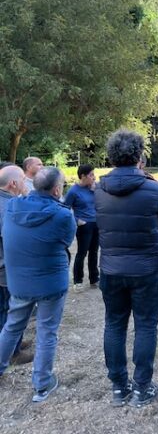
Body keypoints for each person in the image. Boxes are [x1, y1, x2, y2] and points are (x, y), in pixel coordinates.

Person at [95, 129, 158, 408]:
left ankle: (119, 387)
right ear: (140, 156)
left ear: (112, 157)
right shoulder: (154, 188)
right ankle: (142, 387)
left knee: (114, 324)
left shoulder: (98, 189)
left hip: (112, 268)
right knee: (145, 325)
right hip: (146, 269)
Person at [0, 167, 76, 402]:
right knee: (47, 332)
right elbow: (66, 240)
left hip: (19, 283)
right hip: (50, 285)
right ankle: (42, 384)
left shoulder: (12, 206)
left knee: (12, 326)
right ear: (56, 189)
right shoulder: (63, 215)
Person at [0, 165, 33, 365]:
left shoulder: (8, 201)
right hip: (5, 270)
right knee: (8, 310)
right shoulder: (8, 207)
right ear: (13, 184)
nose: (25, 183)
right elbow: (12, 240)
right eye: (22, 179)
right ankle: (11, 353)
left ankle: (15, 343)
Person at [64, 164, 99, 292]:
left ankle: (94, 278)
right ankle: (78, 281)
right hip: (84, 226)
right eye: (91, 175)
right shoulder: (73, 191)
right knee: (82, 253)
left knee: (94, 253)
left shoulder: (94, 188)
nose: (94, 177)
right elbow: (65, 208)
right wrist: (76, 221)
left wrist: (96, 191)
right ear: (83, 176)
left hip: (96, 224)